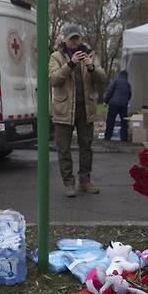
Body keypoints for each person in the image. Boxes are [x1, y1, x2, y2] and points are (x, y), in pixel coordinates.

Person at [49, 24, 107, 197]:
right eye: (71, 38)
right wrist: (70, 64)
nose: (75, 42)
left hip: (85, 109)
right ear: (64, 39)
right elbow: (53, 80)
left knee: (86, 147)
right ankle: (68, 183)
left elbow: (102, 78)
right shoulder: (56, 56)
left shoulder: (90, 55)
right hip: (64, 110)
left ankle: (85, 181)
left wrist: (91, 67)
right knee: (64, 149)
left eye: (77, 38)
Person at [103, 70, 132, 141]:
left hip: (113, 104)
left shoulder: (115, 81)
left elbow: (110, 91)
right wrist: (126, 101)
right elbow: (129, 95)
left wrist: (106, 100)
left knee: (110, 121)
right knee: (124, 122)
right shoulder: (128, 84)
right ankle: (124, 138)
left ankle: (107, 137)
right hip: (123, 105)